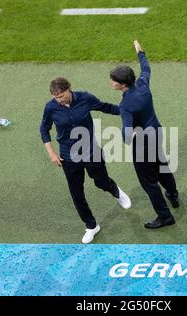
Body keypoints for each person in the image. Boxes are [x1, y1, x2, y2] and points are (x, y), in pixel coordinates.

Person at [40, 77, 131, 244]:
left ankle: (116, 192)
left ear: (69, 89)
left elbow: (105, 107)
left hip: (91, 150)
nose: (58, 100)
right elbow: (44, 129)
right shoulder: (50, 107)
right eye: (55, 97)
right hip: (68, 156)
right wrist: (52, 153)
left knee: (101, 182)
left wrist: (128, 111)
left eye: (61, 96)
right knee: (76, 193)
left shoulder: (84, 98)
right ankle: (91, 226)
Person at [109, 40, 180, 229]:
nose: (111, 82)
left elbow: (126, 133)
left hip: (142, 144)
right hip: (156, 133)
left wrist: (128, 138)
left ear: (122, 84)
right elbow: (146, 68)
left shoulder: (125, 106)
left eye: (114, 80)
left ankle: (165, 216)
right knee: (162, 166)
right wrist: (140, 52)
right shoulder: (142, 84)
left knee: (149, 182)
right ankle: (173, 195)